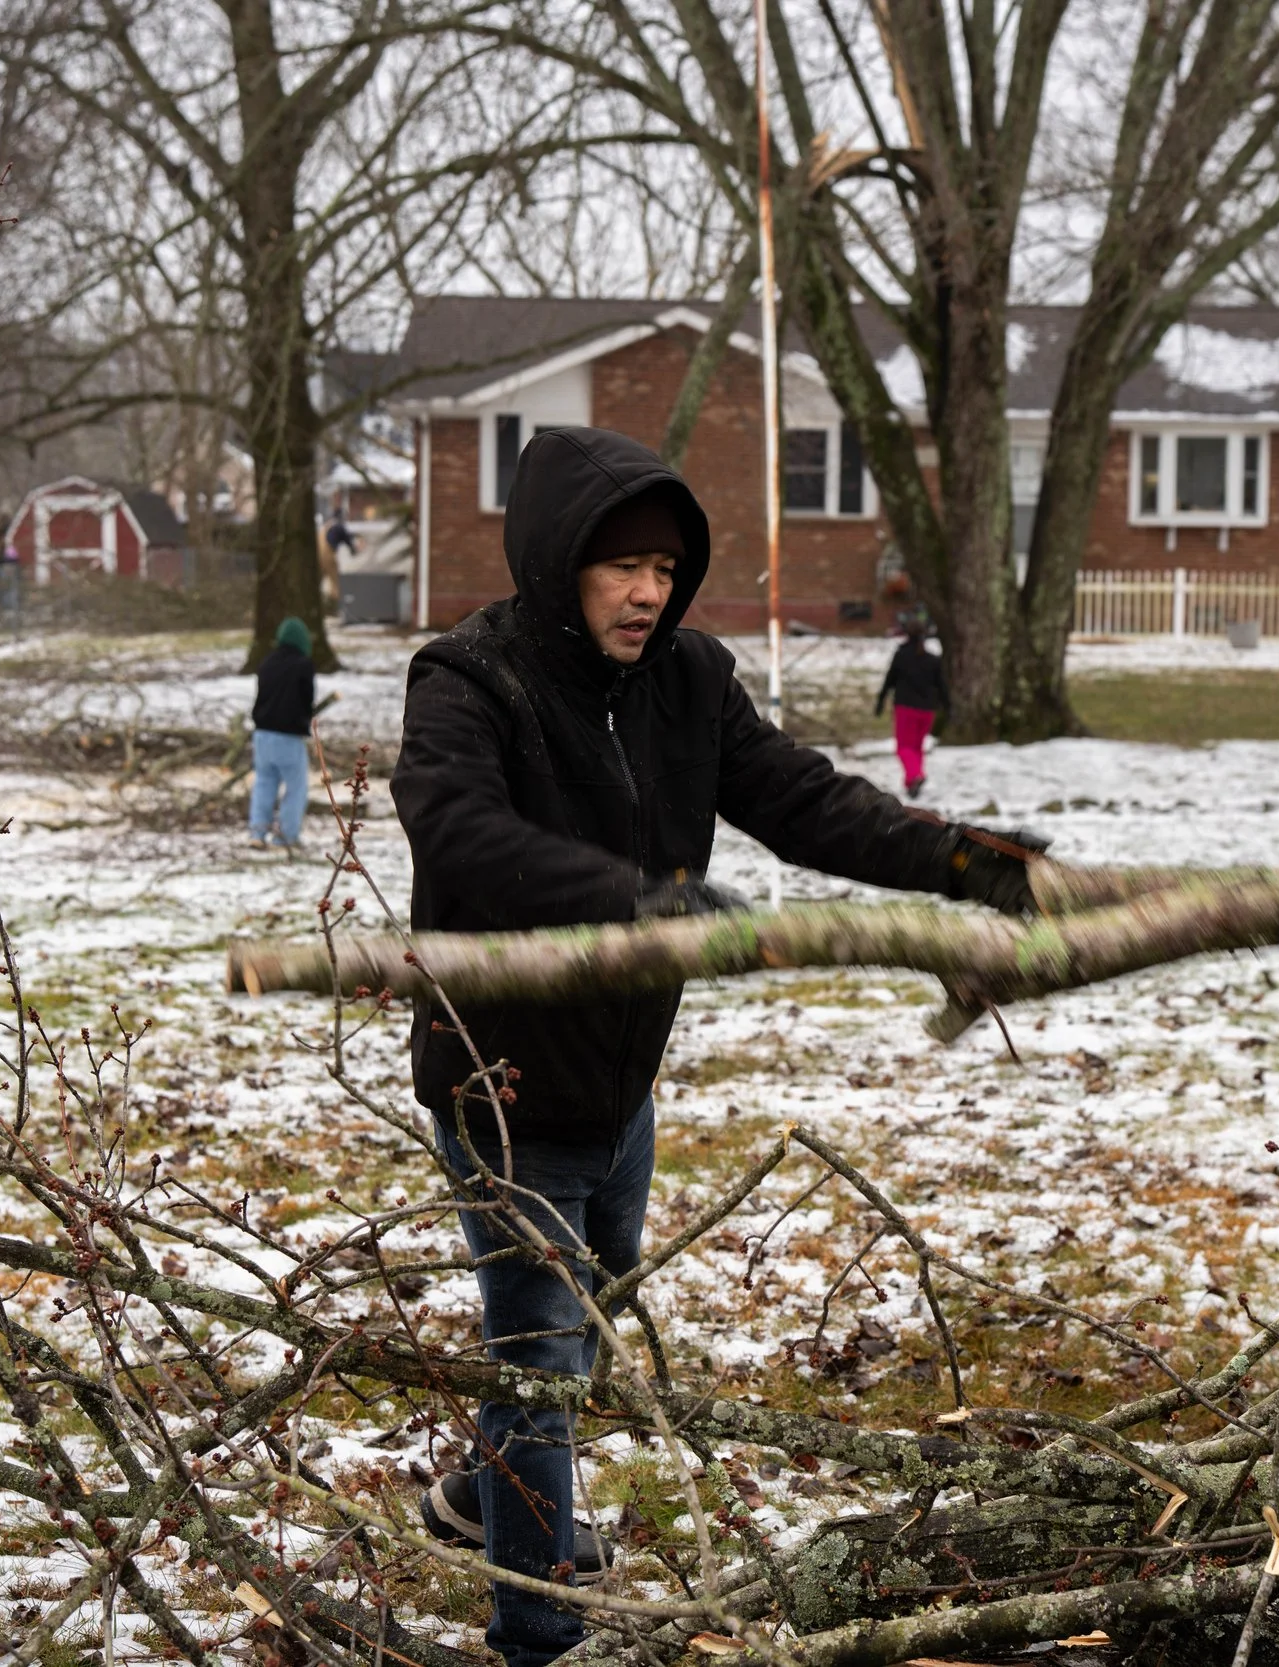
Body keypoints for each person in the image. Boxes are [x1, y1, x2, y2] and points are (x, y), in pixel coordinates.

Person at [390, 427, 1044, 1667]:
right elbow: (455, 825)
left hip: (620, 1082)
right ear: (557, 560)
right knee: (539, 1356)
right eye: (620, 565)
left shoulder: (688, 678)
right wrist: (626, 897)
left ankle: (478, 1499)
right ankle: (539, 1631)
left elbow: (802, 798)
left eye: (664, 567)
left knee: (584, 1313)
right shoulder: (470, 680)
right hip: (502, 1081)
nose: (646, 591)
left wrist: (967, 863)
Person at [249, 616, 316, 847]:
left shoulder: (267, 662)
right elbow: (307, 701)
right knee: (296, 787)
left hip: (262, 735)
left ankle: (257, 832)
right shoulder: (303, 665)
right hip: (288, 736)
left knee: (264, 783)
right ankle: (286, 836)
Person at [875, 612, 948, 798]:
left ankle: (916, 775)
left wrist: (880, 701)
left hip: (906, 708)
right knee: (916, 748)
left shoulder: (901, 656)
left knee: (904, 748)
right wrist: (948, 706)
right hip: (927, 710)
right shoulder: (933, 659)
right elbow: (942, 685)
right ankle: (911, 784)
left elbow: (889, 680)